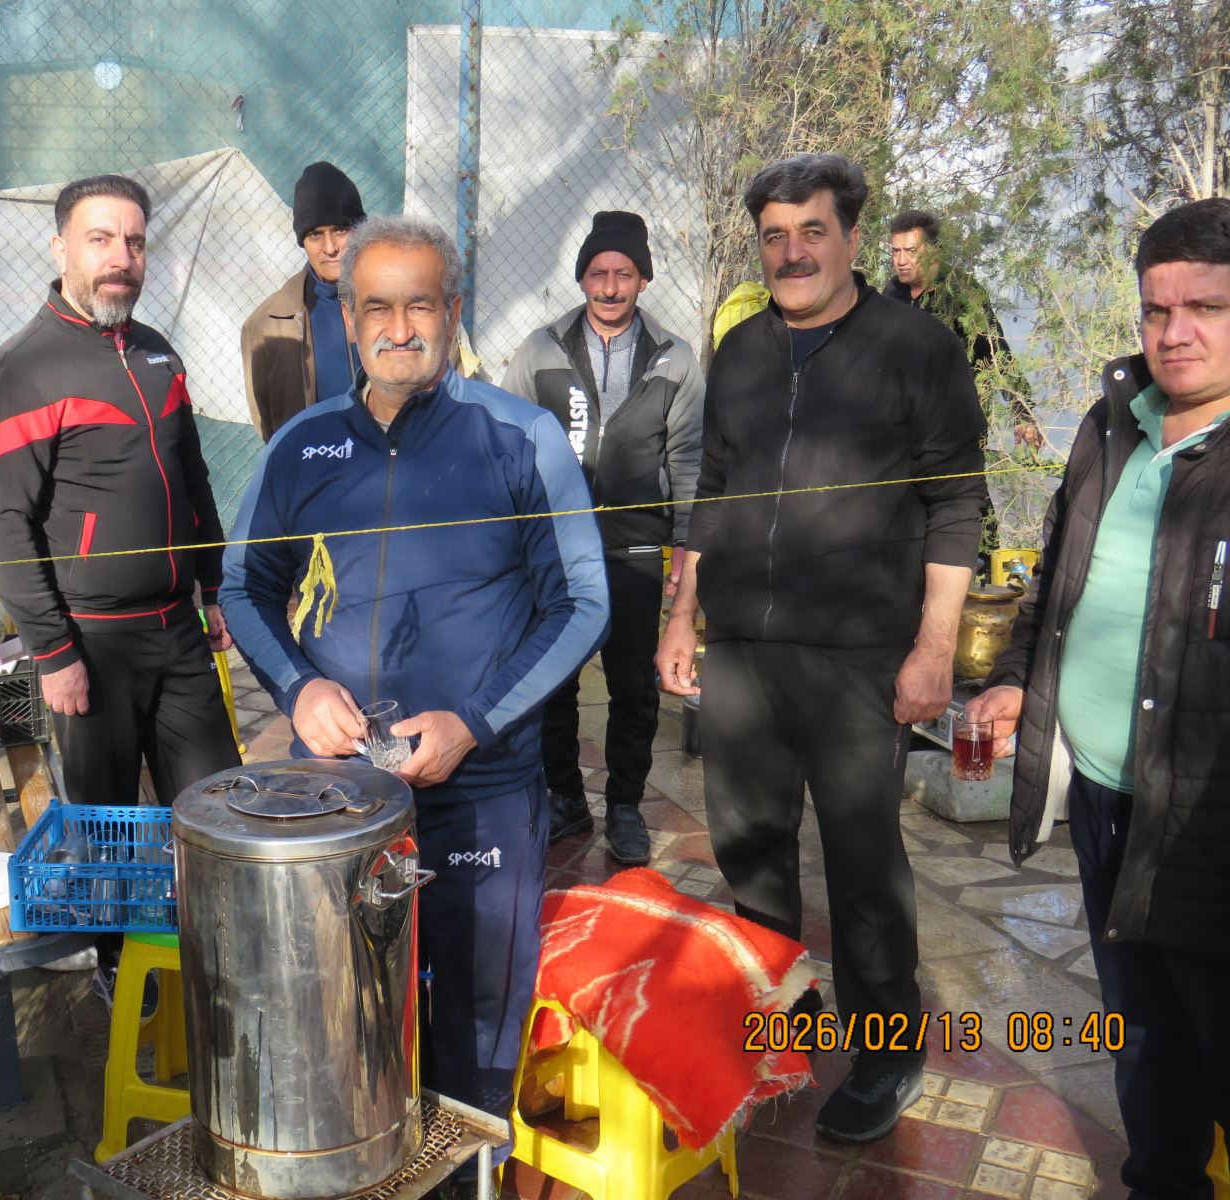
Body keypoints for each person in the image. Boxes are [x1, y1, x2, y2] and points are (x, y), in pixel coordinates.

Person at [218, 215, 608, 1193]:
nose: (400, 328)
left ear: (453, 312)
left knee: (475, 1032)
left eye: (420, 305)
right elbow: (242, 588)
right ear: (348, 319)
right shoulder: (303, 446)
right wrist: (299, 687)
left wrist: (475, 720)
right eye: (377, 308)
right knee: (346, 1028)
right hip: (340, 800)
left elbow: (582, 602)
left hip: (481, 790)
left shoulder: (517, 438)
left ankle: (471, 1181)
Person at [655, 155, 988, 1143]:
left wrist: (934, 650)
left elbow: (955, 504)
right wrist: (681, 613)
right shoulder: (741, 351)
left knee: (862, 866)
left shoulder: (916, 347)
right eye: (774, 235)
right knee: (750, 853)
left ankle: (887, 1052)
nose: (791, 252)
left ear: (850, 236)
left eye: (811, 231)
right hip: (744, 650)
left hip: (858, 657)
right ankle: (783, 1022)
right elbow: (712, 491)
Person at [964, 198, 1230, 1199]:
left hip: (1207, 817)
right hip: (1106, 797)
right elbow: (1057, 587)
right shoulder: (1113, 423)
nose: (1175, 331)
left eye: (1205, 307)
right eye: (1157, 308)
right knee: (1143, 1034)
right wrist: (1014, 681)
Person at [0, 174, 241, 995]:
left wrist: (213, 583)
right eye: (100, 239)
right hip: (91, 642)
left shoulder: (158, 353)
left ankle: (225, 957)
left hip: (176, 627)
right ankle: (118, 969)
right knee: (109, 820)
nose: (121, 257)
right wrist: (54, 652)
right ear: (61, 249)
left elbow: (193, 476)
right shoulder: (21, 372)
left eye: (134, 242)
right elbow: (4, 526)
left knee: (219, 800)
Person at [501, 210, 704, 864]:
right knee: (553, 682)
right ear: (582, 277)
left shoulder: (675, 358)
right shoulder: (541, 350)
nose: (610, 287)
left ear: (643, 278)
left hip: (635, 550)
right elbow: (508, 447)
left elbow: (689, 461)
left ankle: (624, 807)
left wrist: (685, 548)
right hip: (554, 551)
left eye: (623, 273)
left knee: (633, 687)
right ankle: (564, 797)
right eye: (597, 273)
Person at [886, 209, 1044, 449]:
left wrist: (1022, 411)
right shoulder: (892, 292)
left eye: (911, 251)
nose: (901, 260)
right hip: (905, 429)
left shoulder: (962, 292)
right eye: (896, 251)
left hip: (957, 428)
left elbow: (996, 352)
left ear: (934, 250)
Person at [241, 161, 367, 440]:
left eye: (340, 230)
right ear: (303, 241)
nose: (330, 248)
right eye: (315, 235)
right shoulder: (267, 326)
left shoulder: (401, 303)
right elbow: (270, 426)